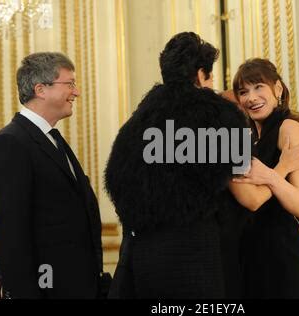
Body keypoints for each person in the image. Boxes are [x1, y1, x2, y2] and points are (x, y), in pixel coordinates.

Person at [104, 32, 253, 298]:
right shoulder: (222, 115)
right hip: (199, 253)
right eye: (211, 76)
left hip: (146, 256)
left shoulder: (138, 120)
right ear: (199, 74)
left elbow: (114, 179)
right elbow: (242, 178)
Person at [0, 52, 108, 298]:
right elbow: (12, 230)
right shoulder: (11, 143)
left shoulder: (51, 139)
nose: (76, 92)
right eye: (69, 83)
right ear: (41, 89)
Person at [230, 58, 299, 298]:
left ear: (277, 89)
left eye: (258, 86)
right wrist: (280, 169)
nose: (251, 97)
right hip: (253, 251)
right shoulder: (248, 139)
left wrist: (270, 175)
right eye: (243, 91)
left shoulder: (289, 128)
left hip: (286, 250)